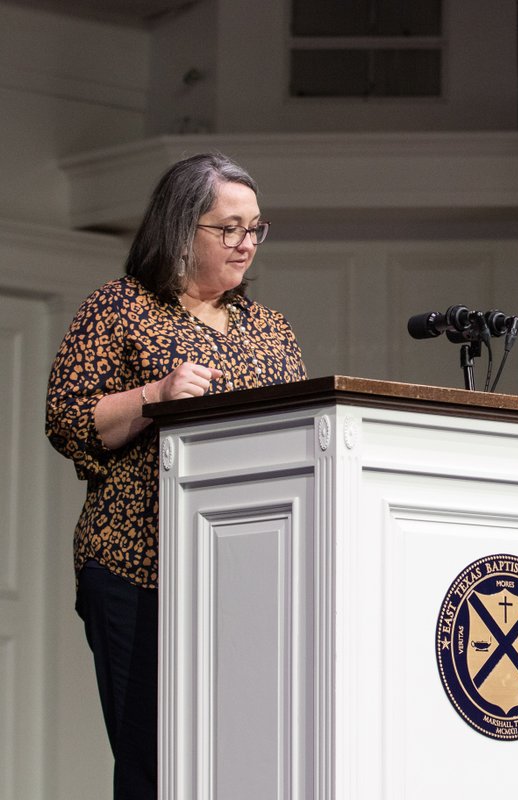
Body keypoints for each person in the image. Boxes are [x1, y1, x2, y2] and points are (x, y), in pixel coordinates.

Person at [45, 152, 308, 800]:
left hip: (245, 575)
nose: (247, 243)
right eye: (230, 228)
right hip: (138, 569)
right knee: (153, 764)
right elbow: (67, 420)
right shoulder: (119, 308)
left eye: (256, 228)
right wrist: (154, 395)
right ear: (183, 228)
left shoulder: (271, 331)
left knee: (239, 762)